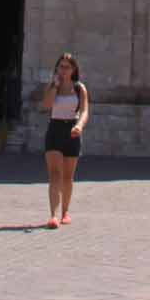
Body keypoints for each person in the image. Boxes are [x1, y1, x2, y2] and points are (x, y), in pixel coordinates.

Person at [39, 51, 89, 228]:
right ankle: (53, 215)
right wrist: (54, 86)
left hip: (72, 130)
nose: (63, 70)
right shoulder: (53, 86)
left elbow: (84, 111)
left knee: (68, 176)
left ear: (74, 69)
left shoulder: (79, 88)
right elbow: (45, 106)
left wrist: (79, 126)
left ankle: (65, 212)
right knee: (54, 174)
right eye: (61, 67)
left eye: (67, 67)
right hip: (55, 129)